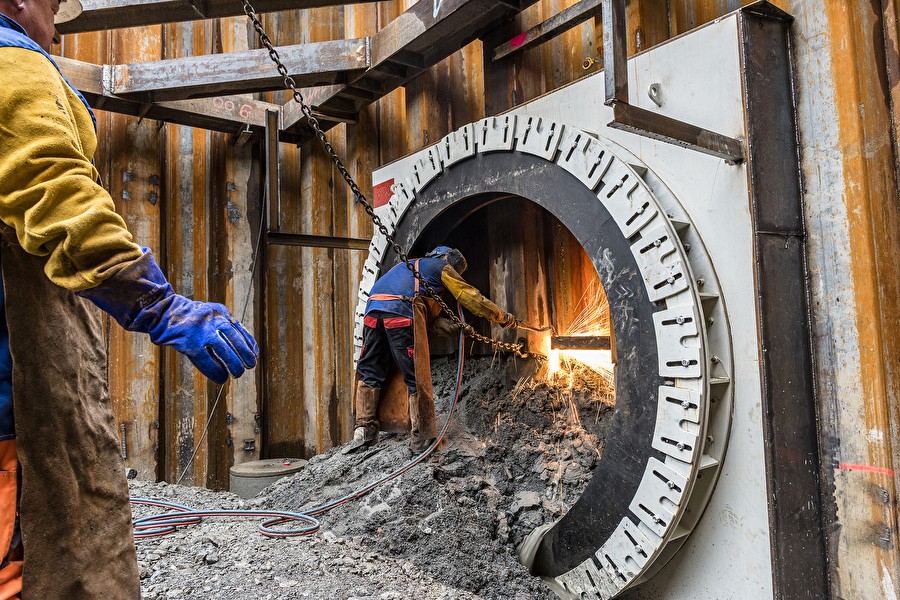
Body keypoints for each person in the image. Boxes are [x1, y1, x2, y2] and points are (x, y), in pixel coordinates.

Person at [0, 1, 258, 597]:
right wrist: (162, 306)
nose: (59, 23)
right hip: (10, 411)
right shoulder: (12, 64)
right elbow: (56, 194)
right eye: (53, 4)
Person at [354, 246, 525, 454]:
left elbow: (427, 320)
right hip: (400, 313)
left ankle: (364, 430)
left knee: (370, 369)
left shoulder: (408, 269)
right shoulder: (441, 266)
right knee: (416, 376)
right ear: (446, 259)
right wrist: (503, 318)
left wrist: (455, 328)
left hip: (372, 312)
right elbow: (470, 297)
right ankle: (422, 439)